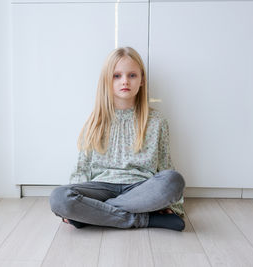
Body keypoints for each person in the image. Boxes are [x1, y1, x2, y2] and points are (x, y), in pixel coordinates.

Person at [49, 47, 186, 231]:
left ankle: (93, 215)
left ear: (142, 80)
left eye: (132, 75)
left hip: (140, 188)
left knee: (174, 180)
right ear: (108, 80)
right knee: (59, 197)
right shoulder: (96, 121)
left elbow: (165, 165)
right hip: (101, 186)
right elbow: (82, 169)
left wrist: (174, 207)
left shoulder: (157, 121)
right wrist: (70, 206)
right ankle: (145, 220)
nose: (125, 81)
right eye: (117, 76)